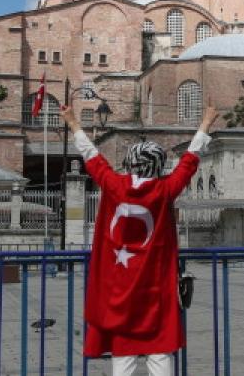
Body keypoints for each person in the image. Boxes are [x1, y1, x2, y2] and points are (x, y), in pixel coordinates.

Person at [60, 103, 218, 376]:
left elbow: (91, 155)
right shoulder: (165, 189)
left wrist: (73, 121)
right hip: (155, 286)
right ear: (158, 166)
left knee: (123, 350)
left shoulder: (112, 184)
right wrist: (206, 122)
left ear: (130, 162)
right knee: (160, 349)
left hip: (119, 286)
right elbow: (190, 160)